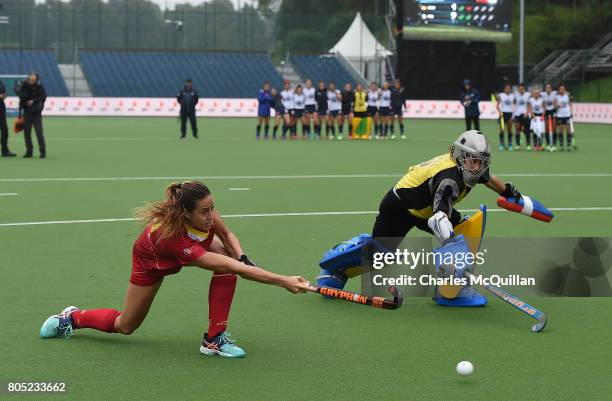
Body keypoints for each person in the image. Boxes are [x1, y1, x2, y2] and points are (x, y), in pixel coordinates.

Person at [39, 181, 310, 358]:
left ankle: (214, 339)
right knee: (126, 325)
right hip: (151, 263)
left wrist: (244, 257)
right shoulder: (172, 238)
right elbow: (229, 266)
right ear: (185, 214)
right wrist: (282, 280)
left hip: (193, 249)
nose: (211, 215)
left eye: (212, 208)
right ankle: (71, 318)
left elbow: (227, 235)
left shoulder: (203, 211)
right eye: (205, 212)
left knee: (229, 255)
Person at [320, 130, 523, 306]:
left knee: (467, 229)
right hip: (400, 207)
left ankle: (452, 291)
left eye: (482, 162)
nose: (478, 167)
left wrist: (508, 192)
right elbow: (438, 219)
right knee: (380, 255)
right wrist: (452, 249)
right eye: (475, 161)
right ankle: (335, 268)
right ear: (461, 156)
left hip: (428, 208)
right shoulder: (449, 179)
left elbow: (489, 179)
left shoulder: (470, 166)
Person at [19, 72, 47, 158]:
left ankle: (42, 152)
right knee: (27, 133)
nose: (31, 80)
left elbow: (43, 97)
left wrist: (33, 101)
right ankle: (29, 151)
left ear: (37, 80)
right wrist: (24, 102)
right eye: (30, 79)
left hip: (36, 113)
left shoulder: (40, 87)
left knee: (39, 132)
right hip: (27, 112)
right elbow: (21, 97)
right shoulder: (25, 86)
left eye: (33, 79)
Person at [554, 84, 573, 152]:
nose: (562, 90)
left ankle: (568, 145)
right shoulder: (556, 97)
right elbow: (555, 106)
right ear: (559, 90)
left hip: (567, 115)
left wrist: (571, 112)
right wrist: (558, 106)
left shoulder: (568, 95)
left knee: (568, 130)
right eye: (560, 89)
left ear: (565, 90)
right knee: (560, 130)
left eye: (563, 89)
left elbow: (570, 104)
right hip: (559, 115)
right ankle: (561, 145)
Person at [496, 83, 514, 151]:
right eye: (506, 89)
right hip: (503, 114)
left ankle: (510, 144)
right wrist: (500, 112)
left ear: (510, 89)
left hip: (509, 114)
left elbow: (514, 105)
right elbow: (497, 106)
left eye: (509, 89)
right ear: (504, 89)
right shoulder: (501, 95)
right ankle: (501, 144)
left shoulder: (513, 96)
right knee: (502, 130)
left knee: (509, 129)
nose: (508, 90)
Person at [513, 83, 531, 150]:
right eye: (520, 89)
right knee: (517, 129)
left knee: (527, 130)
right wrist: (514, 113)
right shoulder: (516, 95)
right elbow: (513, 104)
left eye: (522, 89)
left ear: (524, 89)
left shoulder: (528, 95)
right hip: (517, 115)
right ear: (518, 89)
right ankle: (517, 145)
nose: (521, 90)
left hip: (525, 114)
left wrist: (527, 112)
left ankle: (528, 144)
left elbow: (529, 105)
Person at [0, 79, 16, 157]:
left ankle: (5, 150)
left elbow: (5, 94)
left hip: (1, 108)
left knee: (4, 130)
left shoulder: (1, 83)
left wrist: (4, 95)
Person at [527, 87, 545, 151]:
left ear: (539, 93)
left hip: (540, 116)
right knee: (535, 131)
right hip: (534, 116)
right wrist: (533, 116)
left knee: (541, 131)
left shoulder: (541, 100)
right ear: (533, 93)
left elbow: (544, 108)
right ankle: (535, 145)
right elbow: (529, 108)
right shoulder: (531, 100)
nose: (536, 94)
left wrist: (542, 115)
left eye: (537, 93)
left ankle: (540, 145)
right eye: (535, 93)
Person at [542, 83, 557, 151]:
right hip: (546, 112)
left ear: (551, 89)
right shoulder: (543, 94)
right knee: (547, 128)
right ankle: (548, 144)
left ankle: (554, 145)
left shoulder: (554, 94)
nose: (548, 89)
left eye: (549, 88)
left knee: (554, 128)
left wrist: (556, 107)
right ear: (545, 89)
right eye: (547, 88)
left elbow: (566, 93)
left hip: (553, 111)